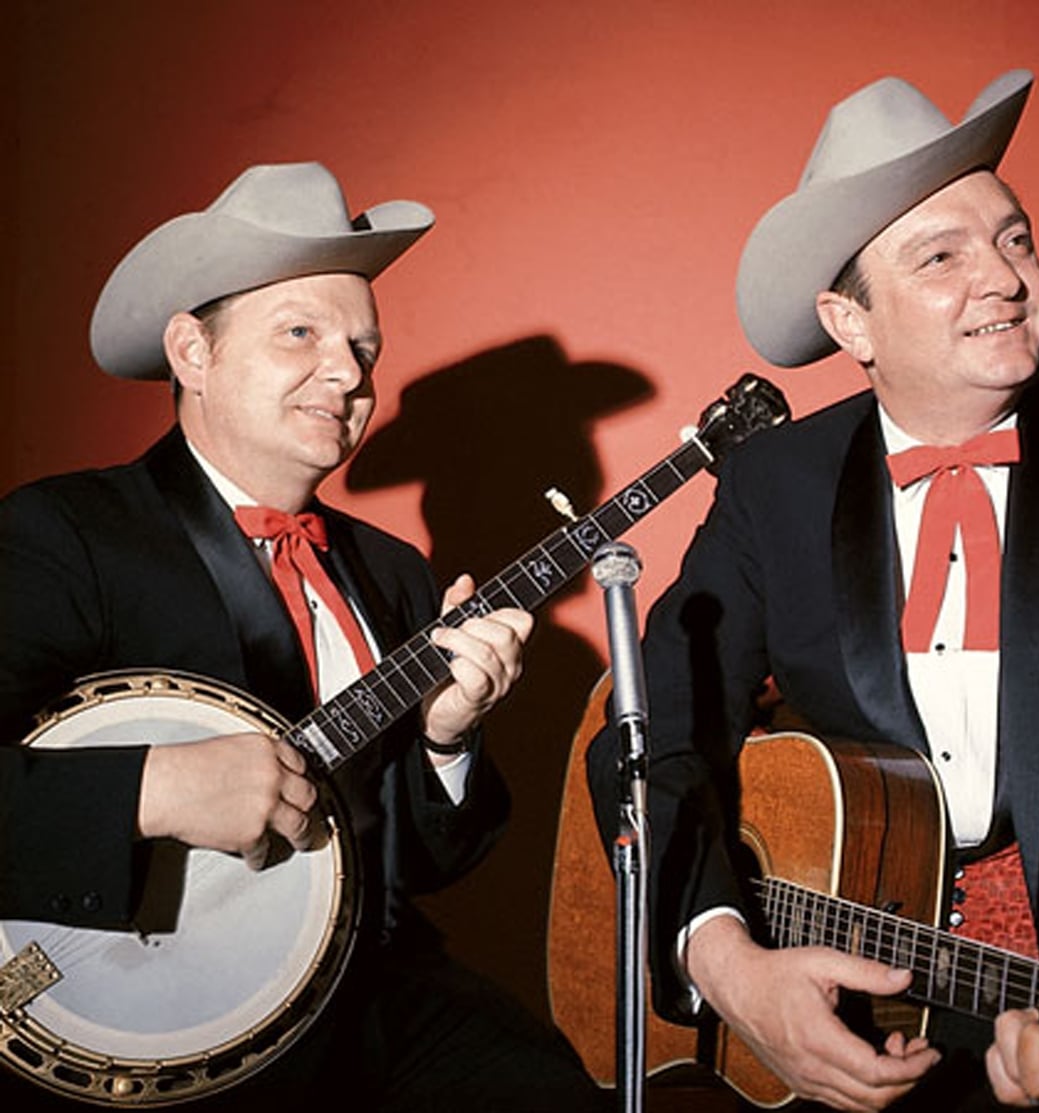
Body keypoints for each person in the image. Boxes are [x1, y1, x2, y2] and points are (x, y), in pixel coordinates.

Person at [587, 69, 1039, 1111]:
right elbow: (652, 733)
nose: (1004, 278)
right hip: (853, 1020)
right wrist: (729, 966)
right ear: (850, 323)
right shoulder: (772, 484)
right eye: (941, 257)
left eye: (1015, 238)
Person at [0, 162, 604, 1111]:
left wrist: (447, 740)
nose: (348, 372)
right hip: (154, 1038)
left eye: (365, 347)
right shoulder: (67, 535)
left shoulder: (396, 573)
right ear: (192, 351)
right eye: (301, 334)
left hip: (375, 993)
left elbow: (427, 863)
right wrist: (152, 787)